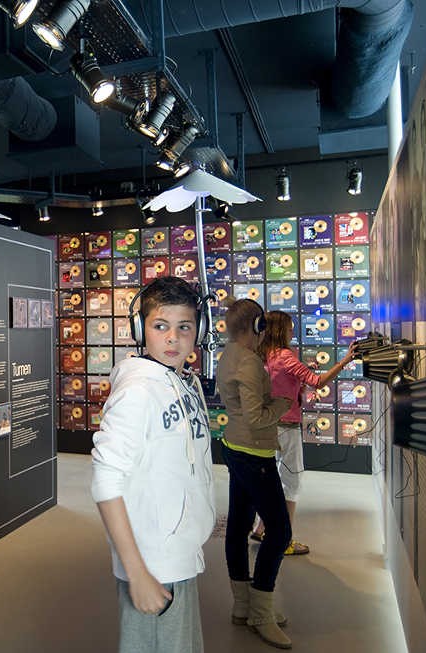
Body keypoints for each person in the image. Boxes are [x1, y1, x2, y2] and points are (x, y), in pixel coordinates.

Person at [91, 276, 213, 653]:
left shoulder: (178, 380)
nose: (173, 338)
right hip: (154, 565)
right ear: (140, 329)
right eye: (161, 326)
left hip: (179, 556)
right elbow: (105, 483)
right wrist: (137, 572)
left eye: (184, 327)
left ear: (199, 332)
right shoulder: (137, 392)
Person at [216, 298, 293, 649]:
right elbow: (257, 417)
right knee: (278, 530)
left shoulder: (229, 354)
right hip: (254, 453)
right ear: (258, 326)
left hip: (235, 448)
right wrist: (284, 403)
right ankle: (261, 610)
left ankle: (244, 605)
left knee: (238, 526)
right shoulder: (248, 363)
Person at [250, 311, 357, 555]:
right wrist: (345, 361)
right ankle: (284, 541)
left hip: (267, 425)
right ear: (280, 331)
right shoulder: (286, 356)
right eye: (289, 327)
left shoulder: (264, 355)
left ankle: (260, 528)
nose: (292, 332)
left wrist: (302, 372)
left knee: (272, 479)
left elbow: (281, 381)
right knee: (292, 483)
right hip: (286, 427)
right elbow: (317, 382)